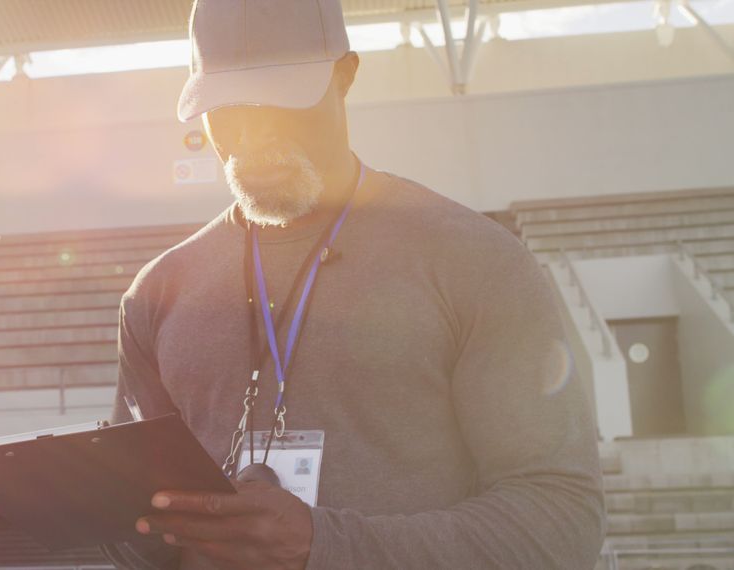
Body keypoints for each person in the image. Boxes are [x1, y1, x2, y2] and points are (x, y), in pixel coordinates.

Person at [101, 1, 605, 568]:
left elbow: (562, 522)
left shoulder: (475, 261)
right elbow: (134, 536)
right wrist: (128, 525)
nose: (256, 131)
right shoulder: (156, 294)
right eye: (228, 107)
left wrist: (324, 546)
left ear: (346, 75)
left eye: (283, 98)